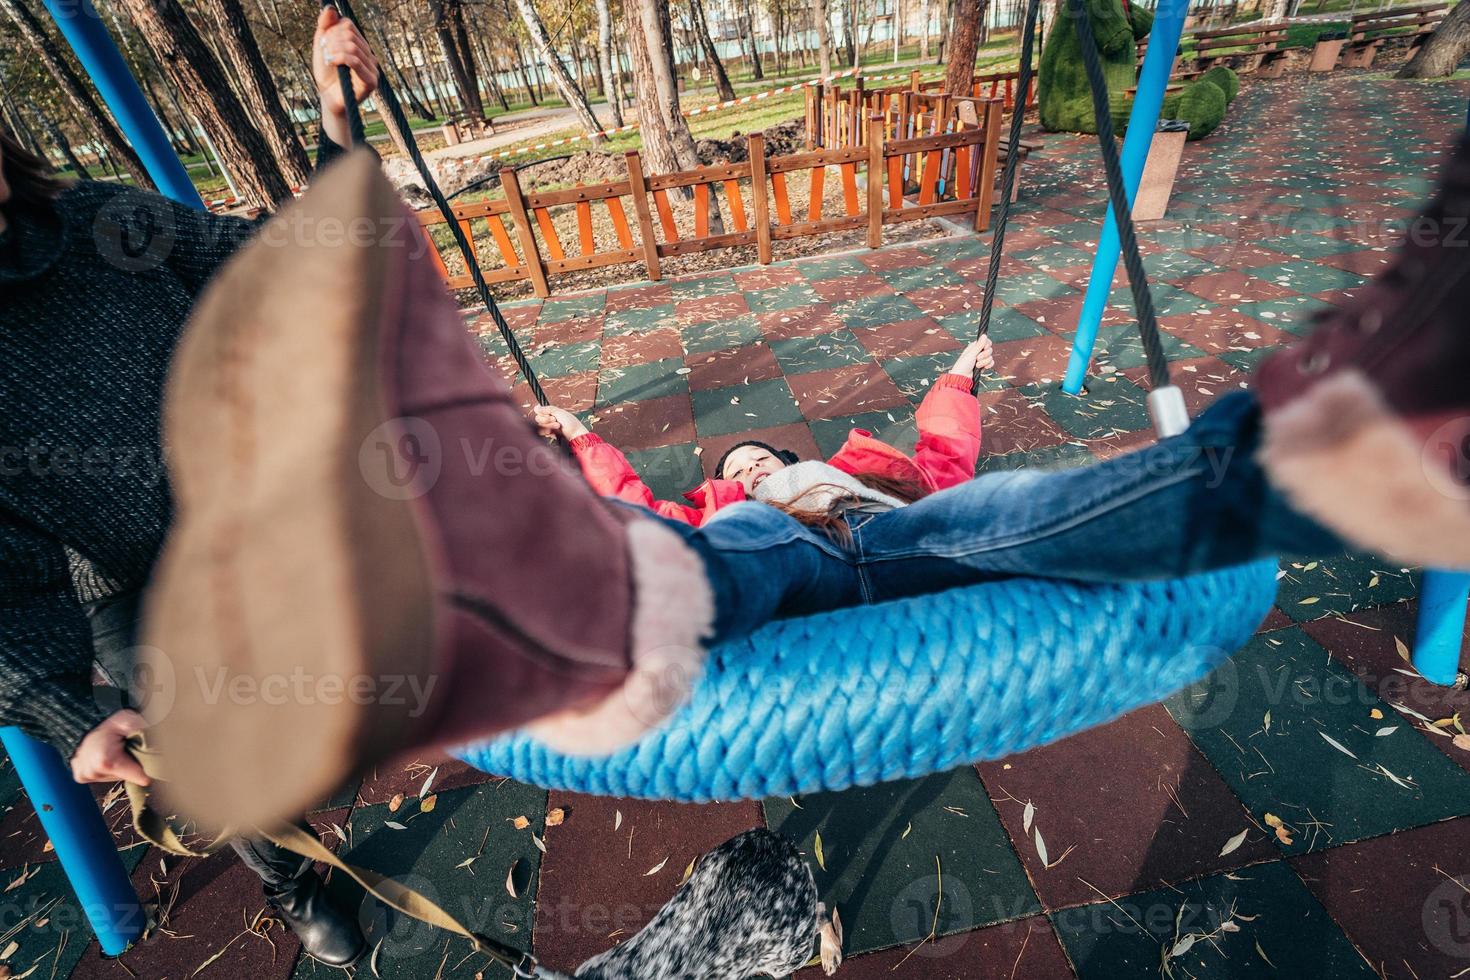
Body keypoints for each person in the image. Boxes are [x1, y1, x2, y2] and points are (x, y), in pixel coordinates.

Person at [143, 128, 1470, 835]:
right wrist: (566, 437)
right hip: (769, 576)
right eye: (732, 461)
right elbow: (621, 480)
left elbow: (939, 452)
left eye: (749, 454)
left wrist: (960, 369)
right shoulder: (723, 516)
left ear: (785, 451)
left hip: (909, 542)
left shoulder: (853, 469)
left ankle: (1337, 448)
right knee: (701, 562)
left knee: (1035, 511)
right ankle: (476, 600)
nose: (743, 458)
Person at [0, 8, 382, 966]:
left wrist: (336, 127)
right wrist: (61, 709)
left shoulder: (103, 223)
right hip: (118, 580)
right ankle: (291, 876)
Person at [533, 338, 994, 529]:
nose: (752, 465)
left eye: (761, 459)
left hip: (889, 531)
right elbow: (640, 515)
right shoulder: (721, 519)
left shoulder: (865, 477)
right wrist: (577, 437)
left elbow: (946, 461)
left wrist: (959, 376)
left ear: (788, 462)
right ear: (733, 488)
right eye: (739, 468)